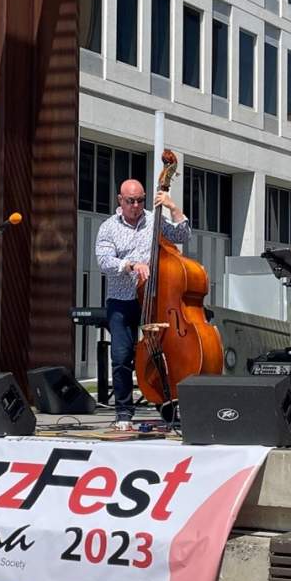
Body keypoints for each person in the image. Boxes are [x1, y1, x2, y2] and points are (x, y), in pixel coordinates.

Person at [95, 178, 190, 431]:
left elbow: (183, 235)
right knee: (122, 355)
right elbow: (104, 261)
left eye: (140, 200)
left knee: (162, 354)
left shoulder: (154, 219)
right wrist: (131, 265)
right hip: (123, 298)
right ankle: (124, 412)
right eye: (130, 201)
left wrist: (172, 208)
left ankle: (167, 407)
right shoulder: (108, 227)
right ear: (120, 200)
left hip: (155, 298)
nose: (136, 205)